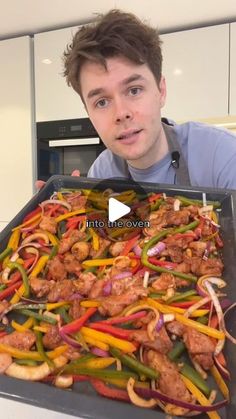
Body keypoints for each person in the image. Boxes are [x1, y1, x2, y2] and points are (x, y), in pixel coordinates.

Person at [47, 9, 236, 190]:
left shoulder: (222, 155)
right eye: (102, 102)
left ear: (161, 91)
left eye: (134, 90)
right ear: (88, 113)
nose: (121, 113)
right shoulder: (102, 172)